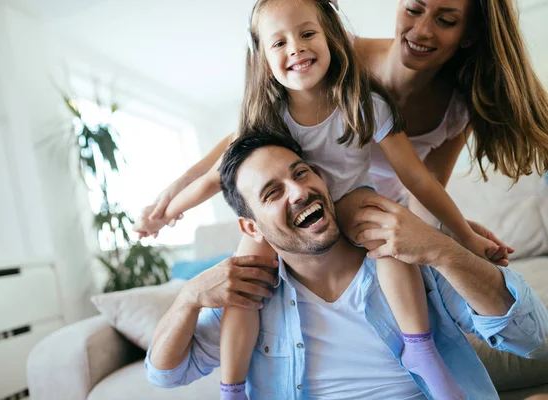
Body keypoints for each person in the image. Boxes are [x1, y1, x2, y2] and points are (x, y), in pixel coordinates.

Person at [136, 1, 512, 399]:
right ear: (263, 59)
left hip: (349, 198)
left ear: (331, 37)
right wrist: (168, 211)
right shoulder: (269, 117)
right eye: (278, 42)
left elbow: (419, 178)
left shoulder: (364, 102)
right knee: (244, 282)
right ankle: (233, 387)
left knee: (388, 238)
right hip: (291, 214)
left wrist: (463, 237)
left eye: (307, 34)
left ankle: (419, 348)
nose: (296, 48)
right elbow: (215, 178)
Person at [145, 131, 548, 400]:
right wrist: (188, 298)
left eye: (301, 173)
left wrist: (441, 248)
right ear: (251, 227)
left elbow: (530, 337)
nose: (300, 191)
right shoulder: (250, 297)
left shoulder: (407, 257)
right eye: (273, 192)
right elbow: (165, 374)